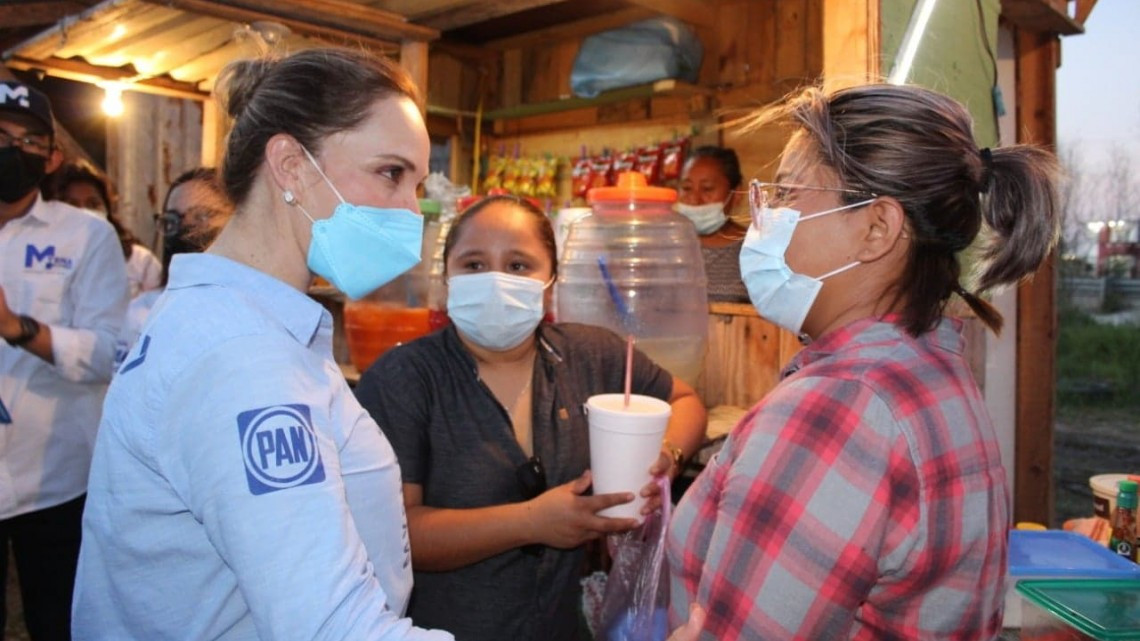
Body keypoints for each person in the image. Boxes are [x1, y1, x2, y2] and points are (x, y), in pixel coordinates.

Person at [72, 48, 453, 640]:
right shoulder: (240, 355)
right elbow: (331, 628)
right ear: (291, 165)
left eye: (418, 182)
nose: (412, 209)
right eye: (391, 173)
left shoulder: (244, 324)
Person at [667, 83, 1061, 640]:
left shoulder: (839, 410)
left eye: (787, 196)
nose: (765, 220)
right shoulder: (930, 368)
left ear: (877, 228)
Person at [354, 195, 708, 641]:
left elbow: (686, 401)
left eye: (519, 266)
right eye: (475, 265)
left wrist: (665, 458)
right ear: (447, 281)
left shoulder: (590, 355)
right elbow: (395, 535)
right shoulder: (404, 379)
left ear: (551, 282)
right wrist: (531, 521)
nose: (497, 281)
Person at [0, 80, 129, 641]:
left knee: (61, 624)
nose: (9, 149)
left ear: (52, 156)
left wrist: (18, 329)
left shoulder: (87, 236)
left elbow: (107, 352)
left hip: (55, 480)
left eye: (25, 139)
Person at [116, 166, 232, 356]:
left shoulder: (258, 308)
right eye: (172, 220)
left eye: (201, 216)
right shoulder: (144, 312)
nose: (185, 228)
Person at [47, 161, 163, 298]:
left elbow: (161, 314)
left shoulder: (141, 261)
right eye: (72, 205)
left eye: (92, 204)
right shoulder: (43, 261)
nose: (83, 212)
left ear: (107, 210)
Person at [676, 146, 749, 302]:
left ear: (736, 194)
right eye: (687, 188)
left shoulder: (754, 250)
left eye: (707, 189)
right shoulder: (667, 247)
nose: (695, 200)